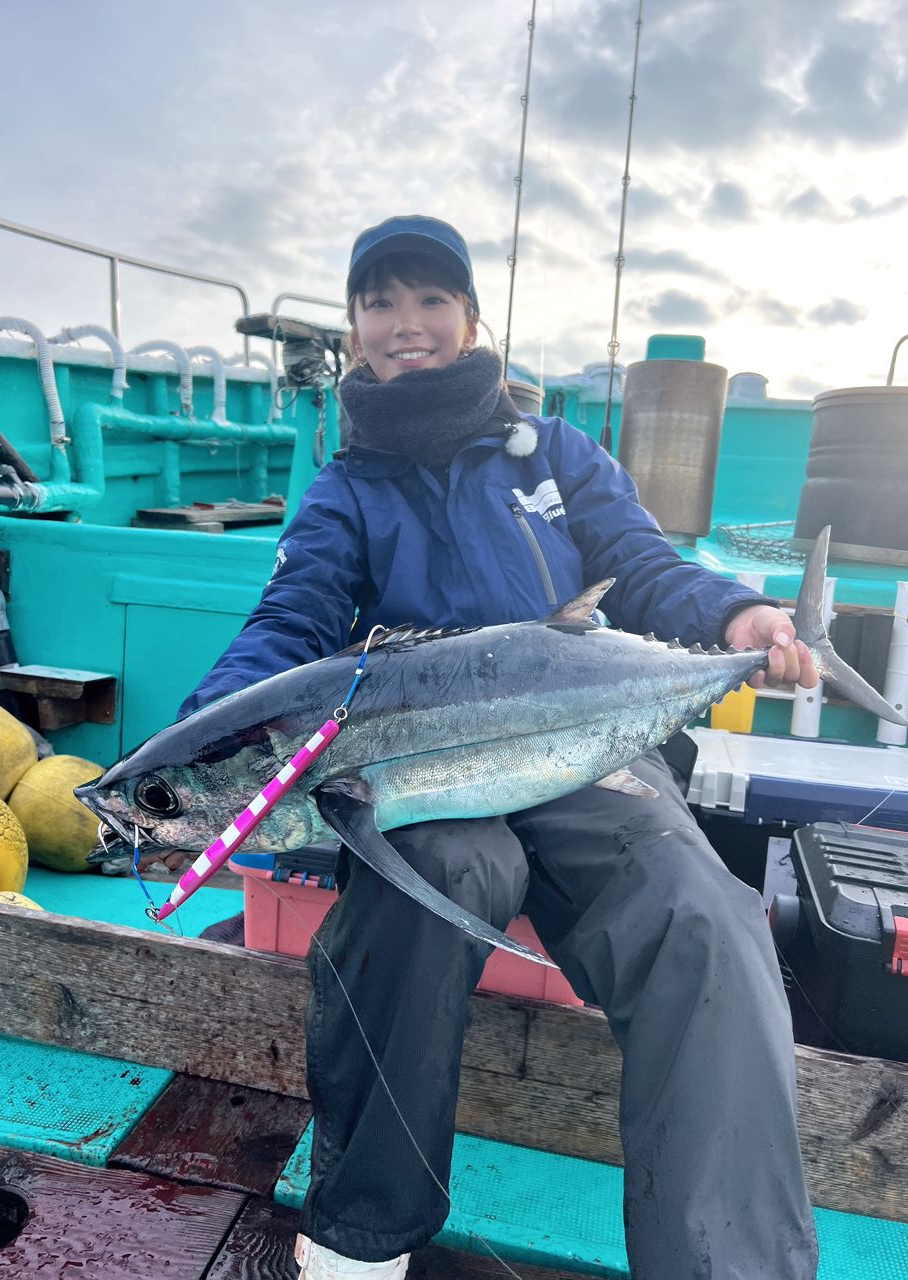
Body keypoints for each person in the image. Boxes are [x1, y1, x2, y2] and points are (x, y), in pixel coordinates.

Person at [179, 216, 820, 1280]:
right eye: (379, 302)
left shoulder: (559, 452)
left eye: (431, 297)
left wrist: (740, 618)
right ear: (352, 331)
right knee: (432, 872)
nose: (406, 323)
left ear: (474, 318)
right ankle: (362, 1235)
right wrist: (210, 735)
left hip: (589, 747)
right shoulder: (347, 488)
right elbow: (290, 621)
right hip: (432, 766)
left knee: (706, 920)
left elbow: (645, 570)